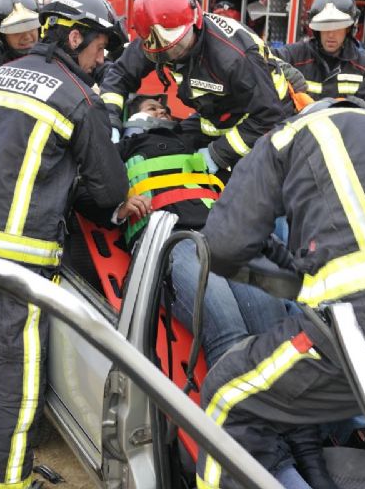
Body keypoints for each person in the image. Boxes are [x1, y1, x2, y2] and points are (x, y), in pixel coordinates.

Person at [0, 0, 129, 489]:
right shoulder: (79, 96)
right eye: (100, 47)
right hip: (13, 258)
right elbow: (109, 192)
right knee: (18, 379)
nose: (103, 57)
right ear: (75, 37)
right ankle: (2, 480)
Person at [196, 96, 365, 489]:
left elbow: (223, 246)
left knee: (228, 396)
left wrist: (277, 276)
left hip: (356, 324)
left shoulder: (288, 137)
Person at [78, 94, 291, 369]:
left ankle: (285, 408)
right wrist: (120, 208)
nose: (162, 112)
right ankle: (240, 411)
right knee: (229, 334)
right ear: (133, 119)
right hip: (172, 239)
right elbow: (83, 190)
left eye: (165, 109)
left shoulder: (198, 145)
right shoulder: (121, 150)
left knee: (274, 330)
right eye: (152, 109)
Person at [100, 0, 305, 175]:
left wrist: (217, 154)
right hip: (216, 116)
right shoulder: (158, 38)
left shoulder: (233, 58)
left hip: (265, 121)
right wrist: (110, 121)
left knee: (244, 192)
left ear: (195, 21)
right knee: (161, 145)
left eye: (179, 45)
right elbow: (120, 74)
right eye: (163, 51)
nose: (174, 54)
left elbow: (268, 116)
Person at [274, 0, 365, 99]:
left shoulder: (364, 65)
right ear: (317, 30)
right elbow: (262, 58)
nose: (331, 35)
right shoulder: (296, 55)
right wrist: (284, 68)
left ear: (348, 28)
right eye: (325, 27)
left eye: (337, 28)